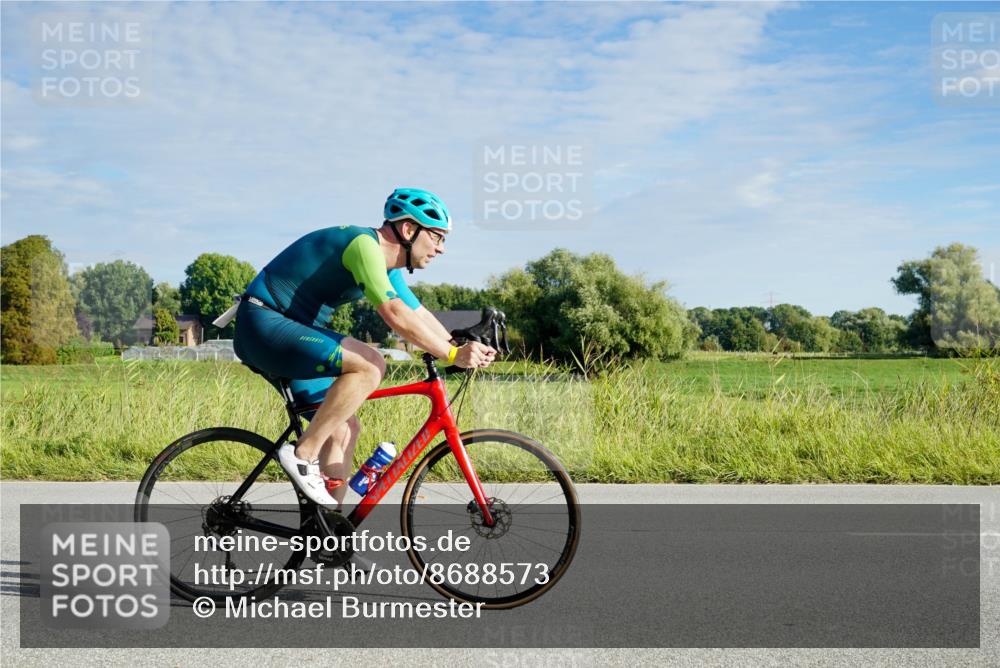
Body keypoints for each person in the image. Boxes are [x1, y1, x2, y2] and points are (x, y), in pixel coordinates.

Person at [232, 188, 496, 511]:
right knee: (371, 364)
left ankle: (329, 532)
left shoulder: (388, 268)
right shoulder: (364, 247)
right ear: (410, 230)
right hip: (263, 322)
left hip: (290, 331)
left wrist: (457, 346)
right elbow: (394, 315)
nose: (441, 248)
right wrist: (452, 355)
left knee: (343, 428)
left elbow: (417, 313)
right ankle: (303, 455)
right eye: (438, 237)